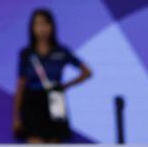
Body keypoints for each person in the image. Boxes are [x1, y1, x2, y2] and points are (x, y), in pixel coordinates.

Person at [13, 8, 94, 143]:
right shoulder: (27, 53)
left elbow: (87, 72)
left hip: (55, 97)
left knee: (55, 141)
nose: (42, 28)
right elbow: (20, 85)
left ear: (52, 26)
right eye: (37, 24)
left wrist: (65, 86)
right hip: (33, 99)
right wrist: (16, 117)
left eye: (45, 23)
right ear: (32, 28)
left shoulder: (61, 51)